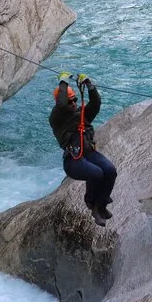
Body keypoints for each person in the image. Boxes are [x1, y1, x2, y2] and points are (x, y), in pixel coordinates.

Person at [49, 71, 117, 226]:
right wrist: (63, 82)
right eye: (70, 101)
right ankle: (91, 203)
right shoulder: (57, 119)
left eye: (75, 100)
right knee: (96, 173)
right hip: (73, 159)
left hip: (89, 153)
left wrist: (89, 85)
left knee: (110, 170)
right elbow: (61, 105)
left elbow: (96, 104)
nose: (74, 104)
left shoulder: (82, 114)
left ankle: (101, 205)